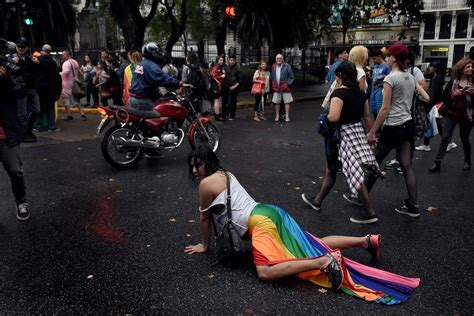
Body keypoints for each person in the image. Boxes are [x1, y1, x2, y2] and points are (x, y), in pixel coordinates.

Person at [184, 145, 420, 304]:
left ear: (208, 163)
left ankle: (325, 261)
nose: (195, 170)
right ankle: (366, 241)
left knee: (265, 272)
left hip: (260, 222)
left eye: (198, 165)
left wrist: (204, 245)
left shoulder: (206, 184)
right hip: (271, 211)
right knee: (311, 242)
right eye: (192, 166)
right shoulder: (226, 173)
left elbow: (205, 218)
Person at [302, 61, 381, 224]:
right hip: (357, 135)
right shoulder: (361, 94)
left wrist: (326, 116)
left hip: (339, 138)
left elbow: (334, 117)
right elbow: (366, 116)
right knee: (333, 169)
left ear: (340, 77)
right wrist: (372, 133)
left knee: (352, 174)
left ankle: (369, 212)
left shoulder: (338, 94)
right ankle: (317, 201)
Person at [363, 43, 430, 218]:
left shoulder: (390, 79)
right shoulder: (410, 77)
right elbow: (426, 97)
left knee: (374, 162)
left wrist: (372, 132)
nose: (388, 58)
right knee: (406, 165)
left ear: (394, 58)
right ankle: (413, 206)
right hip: (407, 125)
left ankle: (361, 197)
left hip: (392, 126)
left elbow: (384, 109)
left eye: (389, 55)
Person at [0, 38, 30, 221]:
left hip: (6, 133)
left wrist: (5, 80)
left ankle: (21, 202)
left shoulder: (7, 69)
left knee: (16, 171)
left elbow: (21, 91)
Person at [428, 58, 473, 172]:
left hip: (466, 115)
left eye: (472, 67)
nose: (471, 68)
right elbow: (443, 97)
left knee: (464, 139)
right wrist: (455, 94)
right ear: (461, 69)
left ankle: (467, 161)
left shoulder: (473, 82)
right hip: (451, 114)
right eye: (468, 67)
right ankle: (437, 162)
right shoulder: (453, 82)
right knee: (445, 137)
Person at [128, 42, 191, 111]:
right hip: (142, 100)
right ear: (152, 53)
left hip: (136, 98)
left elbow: (145, 82)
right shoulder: (150, 66)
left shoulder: (143, 63)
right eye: (157, 51)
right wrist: (179, 84)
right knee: (159, 117)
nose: (160, 54)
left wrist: (156, 93)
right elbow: (162, 78)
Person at [12, 38, 41, 142]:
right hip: (20, 88)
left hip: (31, 88)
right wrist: (13, 62)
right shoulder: (11, 58)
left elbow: (37, 72)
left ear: (27, 48)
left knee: (36, 110)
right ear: (16, 47)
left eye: (23, 47)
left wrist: (37, 63)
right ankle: (23, 133)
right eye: (19, 46)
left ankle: (28, 130)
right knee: (22, 113)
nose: (20, 48)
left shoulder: (30, 59)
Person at [415, 60, 447, 152]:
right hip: (435, 104)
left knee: (431, 124)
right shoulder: (435, 77)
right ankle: (446, 142)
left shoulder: (438, 78)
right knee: (435, 125)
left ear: (436, 68)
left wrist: (424, 98)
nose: (429, 68)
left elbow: (434, 94)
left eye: (431, 66)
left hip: (435, 105)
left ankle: (428, 144)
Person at [36, 44, 62, 131]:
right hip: (51, 89)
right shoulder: (53, 62)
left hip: (40, 88)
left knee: (40, 106)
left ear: (42, 50)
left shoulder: (38, 60)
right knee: (51, 107)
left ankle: (39, 125)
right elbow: (57, 77)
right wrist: (59, 89)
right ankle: (52, 126)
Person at [60, 50, 87, 121]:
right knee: (76, 99)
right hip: (74, 82)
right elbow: (78, 72)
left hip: (67, 83)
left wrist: (60, 73)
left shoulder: (66, 63)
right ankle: (82, 114)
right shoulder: (75, 62)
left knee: (65, 98)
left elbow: (66, 72)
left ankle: (69, 115)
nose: (62, 57)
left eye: (63, 55)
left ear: (67, 55)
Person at [271, 54, 294, 122]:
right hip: (276, 87)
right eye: (277, 58)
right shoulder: (273, 66)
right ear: (275, 59)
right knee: (277, 102)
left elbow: (291, 77)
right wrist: (273, 84)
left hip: (285, 87)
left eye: (280, 58)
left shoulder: (287, 66)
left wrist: (287, 84)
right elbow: (272, 77)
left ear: (282, 59)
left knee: (287, 102)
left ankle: (287, 116)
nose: (279, 59)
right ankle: (277, 115)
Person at [369, 49, 391, 119]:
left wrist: (380, 84)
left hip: (381, 93)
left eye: (374, 59)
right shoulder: (375, 66)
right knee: (374, 112)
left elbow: (389, 80)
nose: (374, 61)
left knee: (380, 112)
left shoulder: (387, 66)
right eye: (372, 59)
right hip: (373, 92)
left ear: (379, 56)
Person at [221, 55, 240, 120]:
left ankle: (232, 115)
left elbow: (239, 80)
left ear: (235, 61)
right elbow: (223, 77)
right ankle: (223, 115)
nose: (232, 62)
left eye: (233, 60)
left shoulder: (237, 69)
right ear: (228, 60)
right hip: (226, 87)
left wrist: (234, 86)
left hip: (234, 87)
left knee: (233, 102)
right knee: (224, 101)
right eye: (231, 60)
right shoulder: (225, 68)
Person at [210, 55, 226, 121]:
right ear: (217, 61)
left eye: (222, 60)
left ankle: (218, 115)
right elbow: (213, 77)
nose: (222, 61)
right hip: (216, 87)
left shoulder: (220, 67)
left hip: (219, 86)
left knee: (219, 101)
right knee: (217, 100)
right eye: (220, 60)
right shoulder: (216, 68)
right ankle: (217, 116)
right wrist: (221, 76)